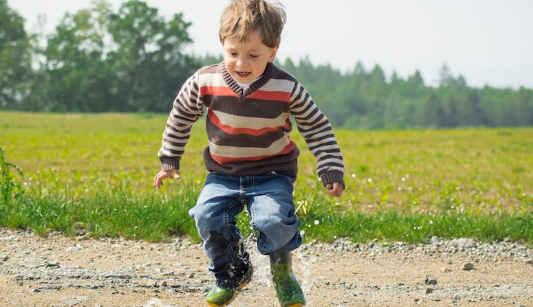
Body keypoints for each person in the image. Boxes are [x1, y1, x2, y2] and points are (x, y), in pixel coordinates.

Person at [153, 0, 345, 306]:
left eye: (253, 55)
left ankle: (283, 273)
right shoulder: (205, 81)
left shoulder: (287, 87)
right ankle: (232, 274)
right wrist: (169, 159)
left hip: (273, 173)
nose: (241, 63)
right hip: (223, 173)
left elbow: (317, 128)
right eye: (233, 53)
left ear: (273, 51)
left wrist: (330, 168)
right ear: (222, 44)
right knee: (207, 217)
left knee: (272, 220)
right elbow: (180, 116)